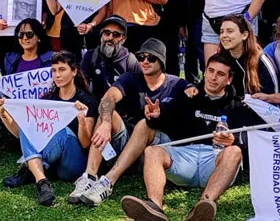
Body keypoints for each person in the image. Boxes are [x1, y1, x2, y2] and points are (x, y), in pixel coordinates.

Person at [121, 53, 243, 221]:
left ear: (229, 80)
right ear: (204, 72)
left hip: (215, 160)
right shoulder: (188, 95)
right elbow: (168, 114)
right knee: (152, 151)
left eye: (220, 74)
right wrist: (158, 114)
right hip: (185, 156)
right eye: (210, 71)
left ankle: (204, 206)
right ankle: (154, 207)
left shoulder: (237, 105)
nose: (213, 78)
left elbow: (249, 138)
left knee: (234, 151)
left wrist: (233, 140)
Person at [71, 38, 191, 207]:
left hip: (157, 151)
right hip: (129, 144)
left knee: (144, 124)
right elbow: (109, 97)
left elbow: (197, 103)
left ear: (162, 61)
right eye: (141, 57)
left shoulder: (178, 84)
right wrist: (105, 123)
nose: (145, 61)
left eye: (151, 58)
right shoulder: (131, 78)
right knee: (107, 113)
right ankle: (89, 177)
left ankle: (108, 182)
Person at [0, 51, 98, 205]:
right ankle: (41, 181)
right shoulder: (49, 99)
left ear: (74, 71)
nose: (57, 75)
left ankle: (34, 169)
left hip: (74, 165)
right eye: (54, 70)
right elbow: (20, 134)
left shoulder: (87, 101)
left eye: (62, 69)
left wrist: (82, 122)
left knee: (63, 132)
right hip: (55, 166)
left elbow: (85, 144)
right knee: (29, 124)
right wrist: (3, 114)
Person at [217, 15, 280, 99]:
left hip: (260, 108)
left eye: (230, 31)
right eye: (221, 32)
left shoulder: (261, 60)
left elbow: (275, 93)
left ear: (244, 35)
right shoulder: (219, 58)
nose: (224, 35)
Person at [80, 15, 141, 99]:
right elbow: (81, 86)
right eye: (107, 33)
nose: (110, 38)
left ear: (123, 39)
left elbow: (139, 93)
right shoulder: (90, 56)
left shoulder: (130, 61)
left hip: (122, 109)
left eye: (116, 35)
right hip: (96, 107)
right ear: (101, 34)